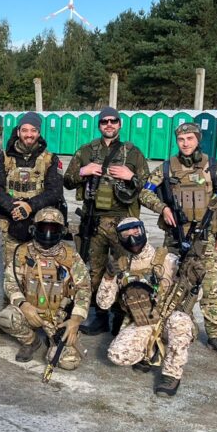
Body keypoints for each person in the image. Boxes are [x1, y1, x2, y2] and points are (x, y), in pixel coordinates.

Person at [140, 122, 217, 355]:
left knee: (209, 286)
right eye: (181, 140)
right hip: (175, 237)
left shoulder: (214, 167)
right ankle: (175, 328)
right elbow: (144, 192)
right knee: (171, 284)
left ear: (198, 139)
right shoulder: (166, 168)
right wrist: (162, 208)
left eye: (190, 139)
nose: (185, 143)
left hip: (205, 237)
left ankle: (216, 334)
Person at [64, 107, 149, 336]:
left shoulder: (133, 153)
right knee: (96, 272)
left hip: (124, 223)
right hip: (94, 221)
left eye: (113, 121)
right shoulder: (86, 151)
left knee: (124, 271)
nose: (109, 125)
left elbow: (148, 185)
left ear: (120, 124)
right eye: (104, 121)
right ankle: (101, 317)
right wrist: (83, 171)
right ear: (99, 125)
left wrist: (131, 177)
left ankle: (121, 319)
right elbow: (68, 181)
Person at [97, 218, 198, 397]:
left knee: (180, 320)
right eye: (126, 234)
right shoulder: (121, 266)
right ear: (120, 239)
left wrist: (193, 276)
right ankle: (148, 352)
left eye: (136, 232)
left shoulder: (167, 259)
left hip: (168, 319)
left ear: (143, 231)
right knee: (117, 355)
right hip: (142, 321)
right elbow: (103, 303)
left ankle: (171, 374)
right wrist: (109, 276)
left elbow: (198, 293)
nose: (132, 238)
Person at [0, 207, 90, 370]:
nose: (48, 233)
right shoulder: (23, 252)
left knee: (68, 362)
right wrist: (23, 305)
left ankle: (53, 339)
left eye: (53, 229)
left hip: (58, 316)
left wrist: (76, 319)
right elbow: (10, 282)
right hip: (30, 309)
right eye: (43, 228)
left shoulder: (70, 256)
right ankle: (31, 341)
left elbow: (84, 288)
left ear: (62, 231)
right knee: (6, 318)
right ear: (34, 229)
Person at [0, 111, 64, 266]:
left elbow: (55, 191)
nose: (29, 135)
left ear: (39, 132)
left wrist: (29, 206)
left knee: (38, 273)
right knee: (12, 272)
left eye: (33, 130)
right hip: (12, 224)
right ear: (18, 132)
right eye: (25, 130)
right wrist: (13, 207)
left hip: (41, 228)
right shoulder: (4, 158)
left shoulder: (50, 159)